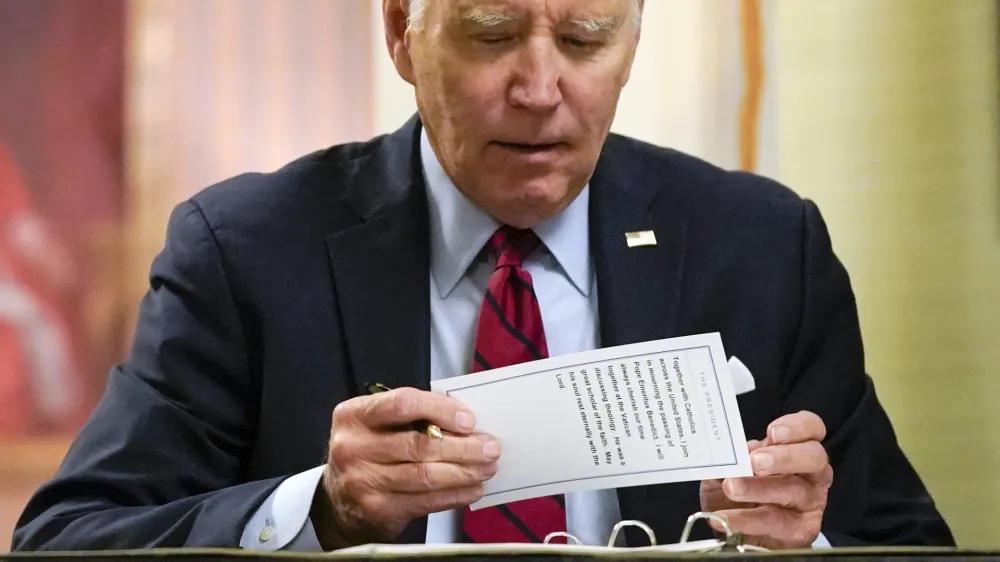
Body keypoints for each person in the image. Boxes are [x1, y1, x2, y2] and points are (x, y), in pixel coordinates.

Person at [13, 0, 953, 552]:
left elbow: (907, 547)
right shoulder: (245, 250)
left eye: (585, 39)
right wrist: (321, 512)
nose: (542, 89)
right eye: (493, 34)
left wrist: (807, 540)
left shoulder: (762, 247)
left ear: (634, 39)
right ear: (401, 33)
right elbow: (65, 540)